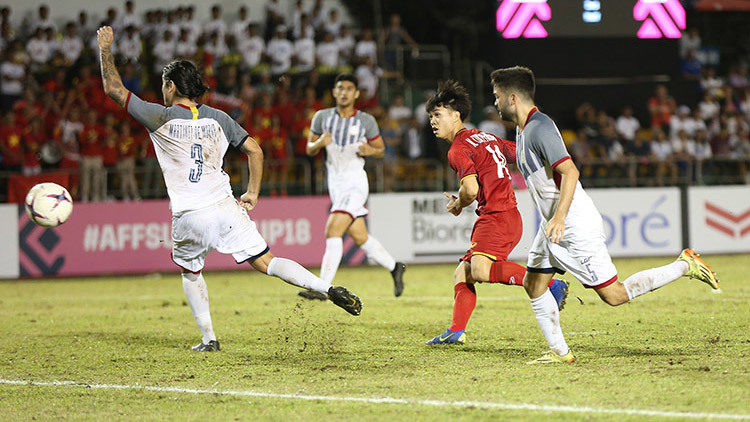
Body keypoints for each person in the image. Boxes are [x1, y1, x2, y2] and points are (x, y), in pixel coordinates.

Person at [96, 26, 363, 352]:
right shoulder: (219, 118)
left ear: (171, 86)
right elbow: (255, 150)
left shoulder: (160, 116)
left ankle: (209, 338)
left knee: (190, 270)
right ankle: (326, 287)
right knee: (268, 262)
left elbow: (112, 88)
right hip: (226, 207)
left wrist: (105, 48)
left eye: (164, 85)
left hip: (190, 214)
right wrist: (252, 193)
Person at [489, 66, 719, 364]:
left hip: (571, 223)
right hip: (554, 224)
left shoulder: (539, 127)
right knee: (533, 284)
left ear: (511, 98)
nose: (494, 103)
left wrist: (558, 218)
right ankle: (560, 352)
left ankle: (685, 265)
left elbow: (570, 170)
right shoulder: (523, 130)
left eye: (496, 97)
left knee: (615, 295)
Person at [423, 80, 568, 345]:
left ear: (456, 116)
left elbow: (470, 188)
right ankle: (456, 331)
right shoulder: (485, 137)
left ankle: (548, 284)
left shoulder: (458, 149)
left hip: (496, 217)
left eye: (438, 114)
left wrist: (458, 204)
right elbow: (519, 153)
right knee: (463, 273)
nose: (433, 121)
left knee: (479, 270)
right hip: (508, 216)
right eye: (431, 116)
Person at [303, 73, 406, 300]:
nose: (344, 92)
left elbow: (379, 149)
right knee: (360, 237)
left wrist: (371, 151)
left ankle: (322, 288)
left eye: (349, 88)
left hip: (355, 183)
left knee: (332, 230)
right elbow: (309, 148)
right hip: (335, 184)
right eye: (340, 88)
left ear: (356, 93)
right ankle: (394, 266)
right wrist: (319, 143)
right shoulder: (321, 117)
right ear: (334, 92)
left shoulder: (366, 120)